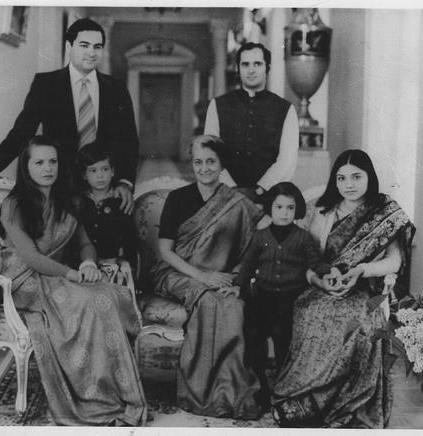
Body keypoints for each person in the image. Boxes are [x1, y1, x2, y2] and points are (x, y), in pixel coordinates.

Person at [0, 136, 146, 426]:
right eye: (39, 162)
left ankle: (111, 390)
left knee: (107, 295)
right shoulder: (13, 205)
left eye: (52, 161)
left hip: (59, 274)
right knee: (91, 301)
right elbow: (31, 257)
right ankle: (88, 395)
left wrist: (88, 263)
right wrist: (73, 274)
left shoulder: (67, 201)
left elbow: (85, 243)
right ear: (26, 167)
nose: (48, 168)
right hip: (25, 281)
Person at [271, 149, 416, 428]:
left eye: (356, 177)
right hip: (325, 285)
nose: (349, 184)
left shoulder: (385, 212)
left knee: (359, 323)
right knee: (312, 312)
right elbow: (308, 260)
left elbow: (394, 261)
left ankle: (331, 403)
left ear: (369, 177)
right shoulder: (323, 211)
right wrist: (320, 281)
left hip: (366, 288)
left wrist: (361, 270)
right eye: (341, 178)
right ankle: (304, 395)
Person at [152, 135, 265, 419]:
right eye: (198, 162)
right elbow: (165, 251)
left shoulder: (238, 203)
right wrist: (202, 276)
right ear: (191, 164)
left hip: (221, 276)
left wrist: (236, 281)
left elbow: (250, 251)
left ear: (222, 164)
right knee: (208, 301)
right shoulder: (178, 198)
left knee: (233, 305)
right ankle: (201, 392)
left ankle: (229, 392)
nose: (204, 168)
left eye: (211, 162)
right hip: (178, 272)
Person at [0, 18, 138, 213]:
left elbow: (129, 141)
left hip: (103, 191)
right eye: (84, 45)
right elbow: (21, 133)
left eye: (97, 47)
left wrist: (125, 183)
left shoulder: (116, 88)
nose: (92, 53)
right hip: (56, 189)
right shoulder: (46, 84)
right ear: (69, 47)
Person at [230, 182, 325, 402]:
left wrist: (331, 272)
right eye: (279, 207)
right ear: (270, 208)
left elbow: (316, 263)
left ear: (297, 210)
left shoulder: (303, 237)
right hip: (263, 296)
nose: (284, 213)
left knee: (282, 335)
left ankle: (283, 385)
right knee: (254, 334)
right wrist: (237, 285)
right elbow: (248, 264)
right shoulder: (260, 236)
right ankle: (261, 384)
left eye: (290, 208)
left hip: (290, 298)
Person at [203, 42, 300, 202]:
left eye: (257, 64)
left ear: (267, 67)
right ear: (238, 68)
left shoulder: (285, 109)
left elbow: (287, 160)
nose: (251, 70)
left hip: (270, 197)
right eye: (245, 64)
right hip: (225, 194)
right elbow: (211, 153)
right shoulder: (217, 105)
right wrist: (232, 188)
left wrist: (261, 189)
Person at [73, 145, 137, 268]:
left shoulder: (121, 201)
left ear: (112, 172)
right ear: (84, 175)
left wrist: (127, 264)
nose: (100, 176)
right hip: (86, 264)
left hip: (115, 264)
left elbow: (130, 238)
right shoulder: (80, 202)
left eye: (105, 169)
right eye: (93, 171)